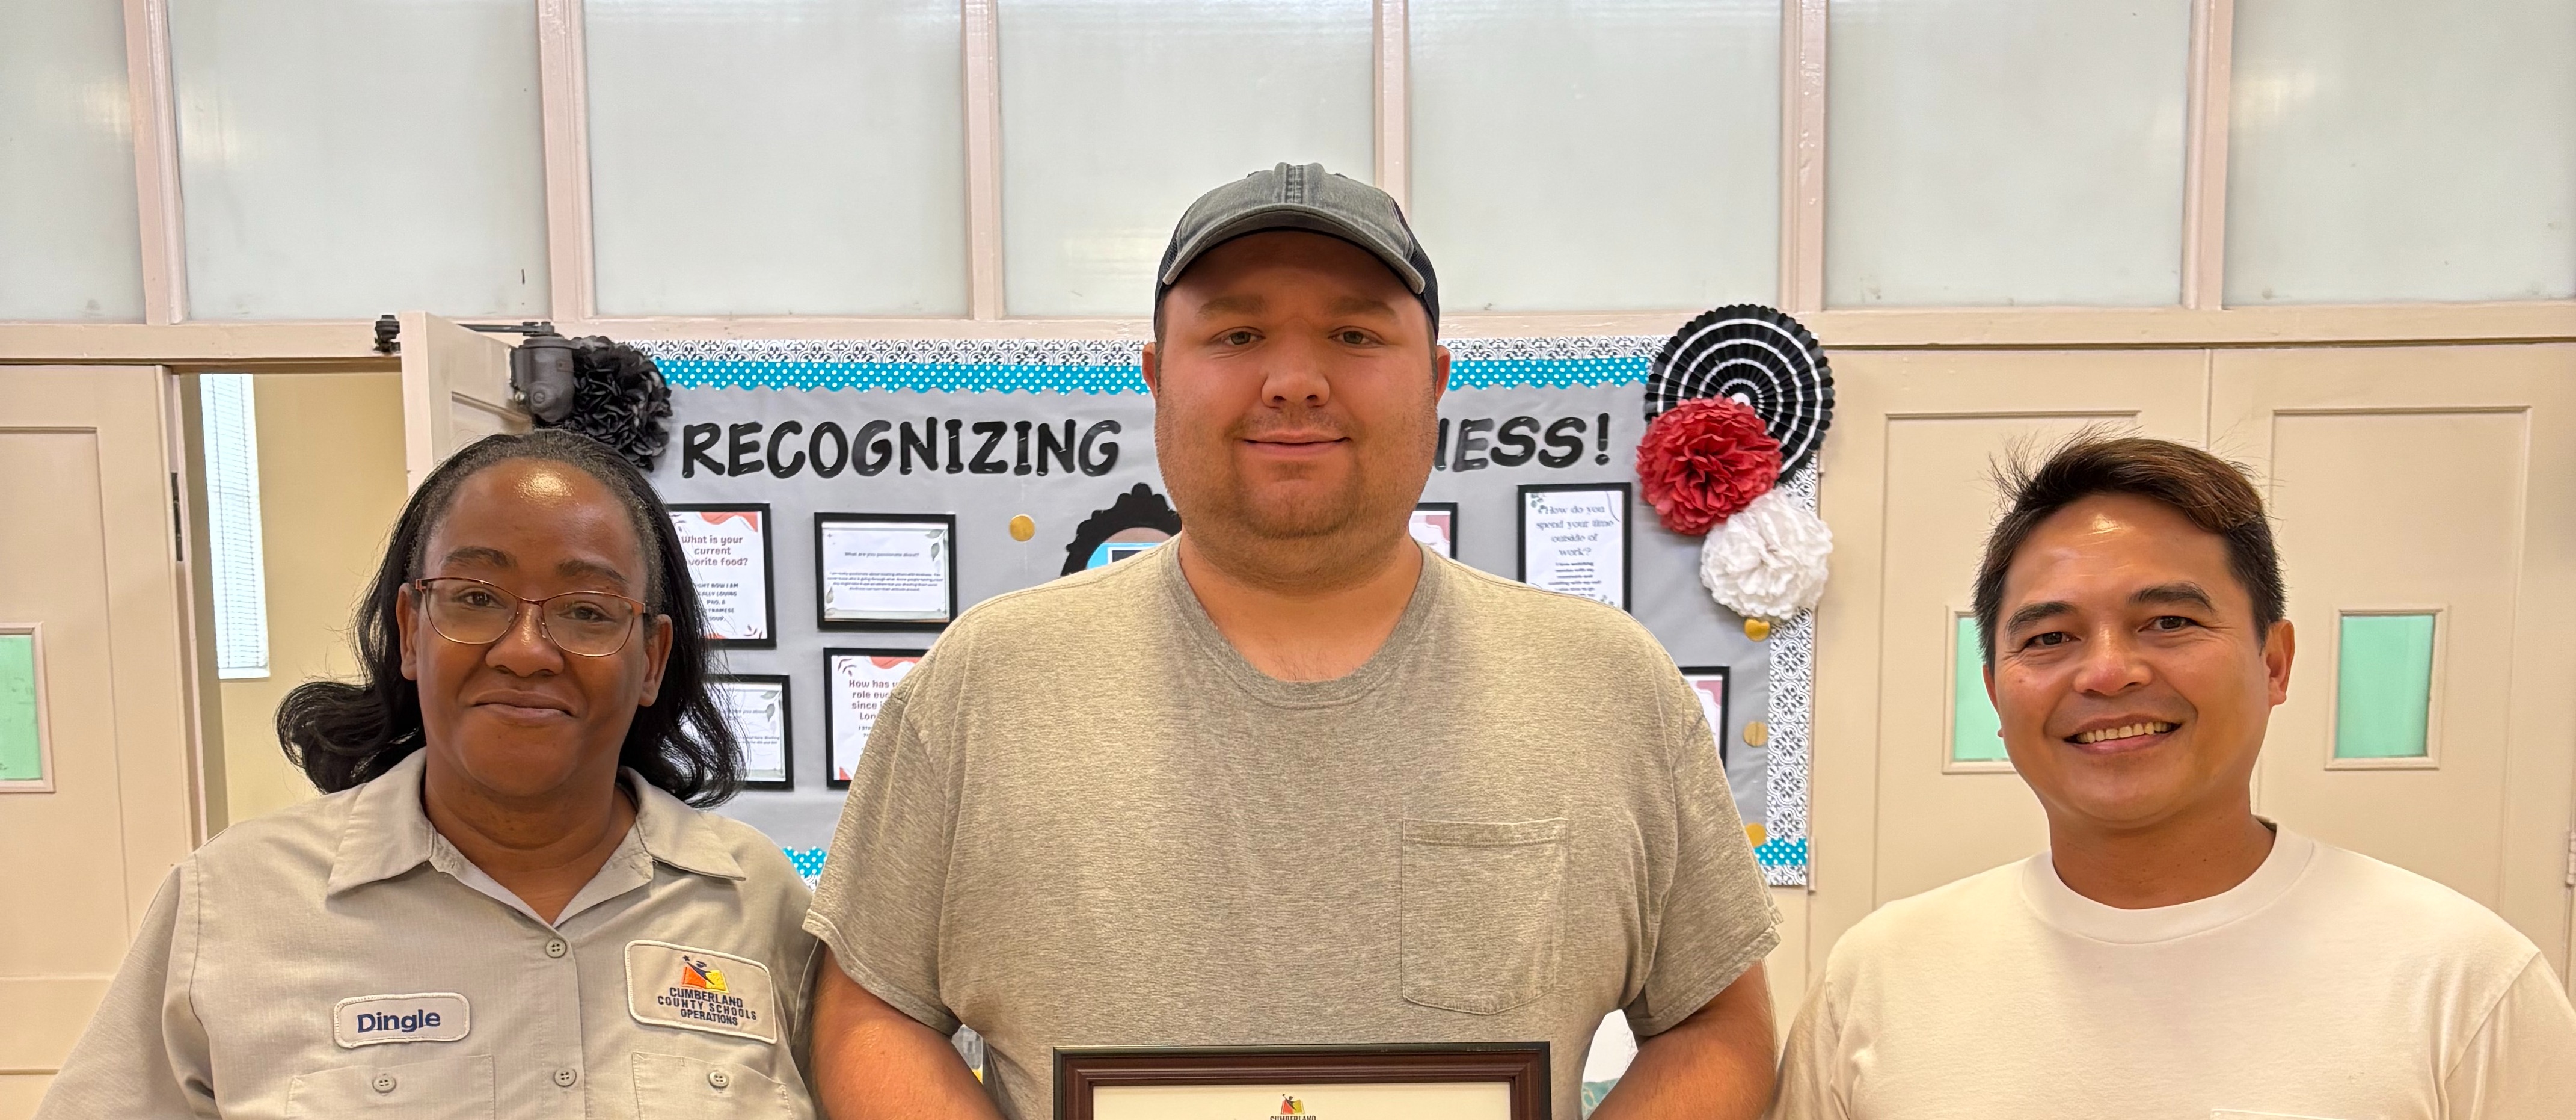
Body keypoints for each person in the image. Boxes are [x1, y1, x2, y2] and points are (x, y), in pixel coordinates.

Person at [803, 162, 1782, 1120]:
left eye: (1355, 333)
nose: (1296, 381)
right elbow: (867, 1007)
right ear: (1155, 376)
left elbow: (1716, 1023)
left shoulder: (1606, 684)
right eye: (1237, 333)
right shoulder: (989, 682)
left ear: (1437, 380)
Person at [1771, 435, 2576, 1118]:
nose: (2109, 671)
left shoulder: (2462, 978)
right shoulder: (1878, 977)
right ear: (1994, 688)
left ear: (2275, 660)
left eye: (2169, 621)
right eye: (2050, 636)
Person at [38, 430, 822, 1119]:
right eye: (476, 597)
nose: (524, 649)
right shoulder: (236, 901)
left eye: (586, 609)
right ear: (412, 631)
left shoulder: (756, 900)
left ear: (650, 658)